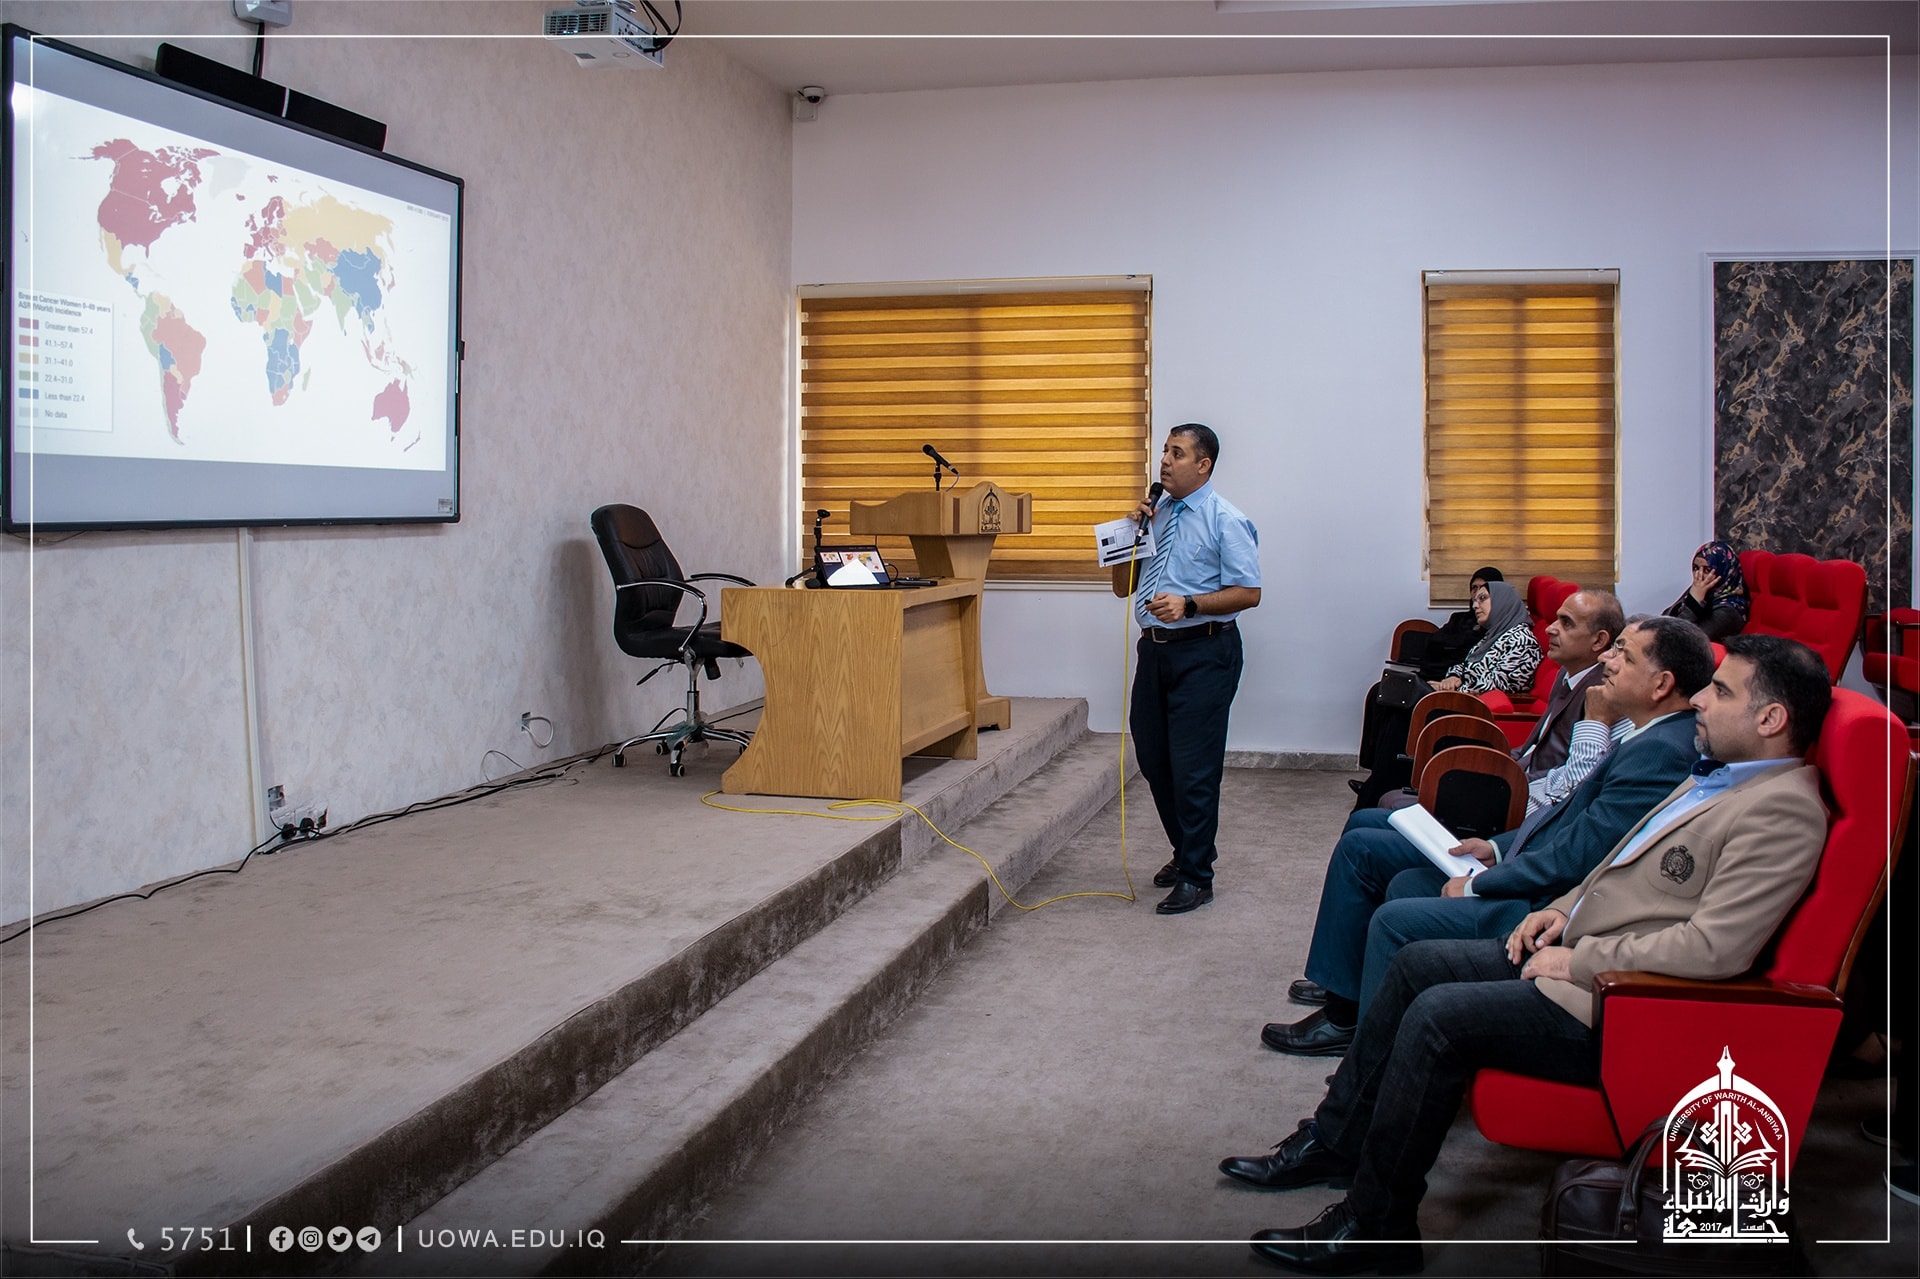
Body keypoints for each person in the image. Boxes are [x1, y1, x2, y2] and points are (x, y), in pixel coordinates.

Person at [1222, 634, 1832, 1275]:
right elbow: (1615, 860)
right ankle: (1335, 1139)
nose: (1701, 700)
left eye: (1722, 692)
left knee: (1438, 1016)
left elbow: (1714, 949)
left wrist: (1577, 959)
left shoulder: (1782, 811)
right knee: (1416, 962)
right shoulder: (1720, 774)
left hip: (1629, 1006)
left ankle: (1377, 1227)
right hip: (1579, 947)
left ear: (1771, 718)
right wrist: (1562, 910)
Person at [1265, 616, 1712, 1053]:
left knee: (1381, 882)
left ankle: (1361, 1038)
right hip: (1524, 834)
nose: (1608, 661)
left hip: (1546, 900)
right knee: (1388, 858)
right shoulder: (1632, 722)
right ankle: (1352, 999)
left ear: (1661, 685)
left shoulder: (1655, 748)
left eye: (1623, 655)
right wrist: (1497, 849)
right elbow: (1565, 808)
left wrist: (1483, 880)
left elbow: (1578, 847)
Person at [1110, 423, 1261, 915]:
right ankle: (1187, 850)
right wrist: (1129, 534)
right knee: (1154, 759)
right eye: (1164, 452)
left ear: (1203, 465)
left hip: (1206, 652)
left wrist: (1191, 604)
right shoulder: (1155, 515)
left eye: (1177, 453)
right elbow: (1122, 586)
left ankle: (1198, 876)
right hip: (1154, 652)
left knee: (1194, 769)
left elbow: (1249, 592)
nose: (1165, 461)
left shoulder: (1226, 519)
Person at [1350, 579, 1541, 808]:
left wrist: (1458, 686)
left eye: (1482, 599)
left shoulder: (1522, 641)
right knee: (1387, 694)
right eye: (1474, 600)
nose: (1475, 605)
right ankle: (1377, 781)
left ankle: (1376, 790)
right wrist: (1453, 677)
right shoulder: (1492, 635)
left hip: (1471, 710)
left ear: (1502, 603)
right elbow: (1462, 665)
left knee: (1402, 710)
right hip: (1459, 697)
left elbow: (1505, 683)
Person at [1664, 538, 1749, 640]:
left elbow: (1680, 638)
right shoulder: (1703, 590)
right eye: (1696, 568)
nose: (1699, 575)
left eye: (1707, 570)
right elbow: (1664, 619)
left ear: (1723, 571)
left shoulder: (1729, 612)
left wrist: (1694, 602)